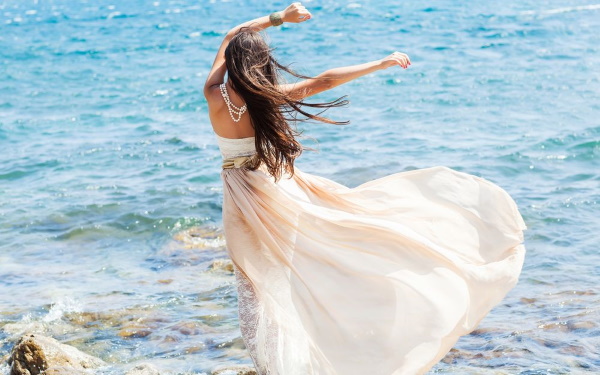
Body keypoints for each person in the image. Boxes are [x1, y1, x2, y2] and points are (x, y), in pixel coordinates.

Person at [203, 3, 526, 374]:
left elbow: (231, 35)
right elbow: (325, 81)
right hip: (276, 190)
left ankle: (270, 364)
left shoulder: (215, 94)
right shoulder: (270, 96)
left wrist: (279, 18)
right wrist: (380, 63)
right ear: (262, 63)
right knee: (309, 261)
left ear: (232, 62)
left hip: (240, 195)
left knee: (252, 282)